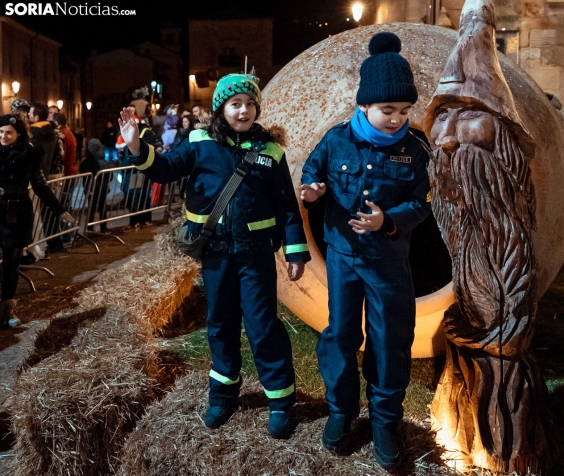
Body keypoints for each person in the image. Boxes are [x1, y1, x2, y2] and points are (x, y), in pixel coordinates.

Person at [118, 72, 311, 439]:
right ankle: (223, 396)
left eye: (250, 104)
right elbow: (165, 169)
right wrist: (136, 148)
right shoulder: (200, 143)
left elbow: (287, 206)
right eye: (235, 103)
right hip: (216, 255)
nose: (243, 110)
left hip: (255, 257)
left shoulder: (271, 152)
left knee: (262, 327)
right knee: (220, 325)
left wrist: (296, 251)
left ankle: (281, 403)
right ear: (220, 108)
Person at [301, 32, 431, 469]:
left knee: (390, 339)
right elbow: (313, 170)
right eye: (387, 110)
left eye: (403, 111)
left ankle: (384, 421)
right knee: (340, 335)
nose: (396, 119)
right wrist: (313, 192)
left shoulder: (414, 151)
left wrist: (388, 221)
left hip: (388, 261)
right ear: (364, 107)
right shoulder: (337, 141)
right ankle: (341, 412)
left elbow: (421, 202)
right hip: (341, 256)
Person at [0, 114, 73, 327]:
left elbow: (40, 186)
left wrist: (59, 209)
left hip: (17, 213)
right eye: (1, 132)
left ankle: (6, 312)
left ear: (19, 134)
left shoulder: (30, 155)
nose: (4, 136)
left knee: (12, 263)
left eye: (9, 133)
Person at [80, 138, 110, 232]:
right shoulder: (102, 162)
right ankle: (103, 227)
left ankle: (90, 227)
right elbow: (109, 175)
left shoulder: (84, 163)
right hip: (102, 187)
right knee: (102, 207)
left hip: (90, 189)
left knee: (91, 208)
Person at [28, 103, 64, 179]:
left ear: (36, 118)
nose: (28, 114)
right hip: (46, 174)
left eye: (30, 113)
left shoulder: (33, 134)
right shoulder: (51, 131)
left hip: (34, 178)